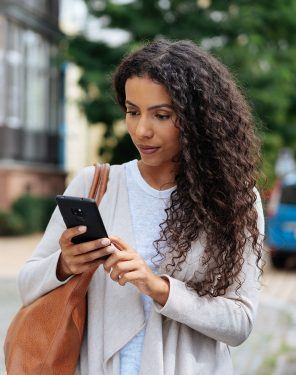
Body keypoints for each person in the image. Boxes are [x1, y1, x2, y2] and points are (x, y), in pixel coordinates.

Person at [18, 38, 265, 375]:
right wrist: (64, 265)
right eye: (132, 112)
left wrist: (157, 287)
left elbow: (240, 323)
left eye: (161, 115)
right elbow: (27, 283)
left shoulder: (234, 200)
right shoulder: (95, 185)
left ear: (198, 119)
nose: (141, 130)